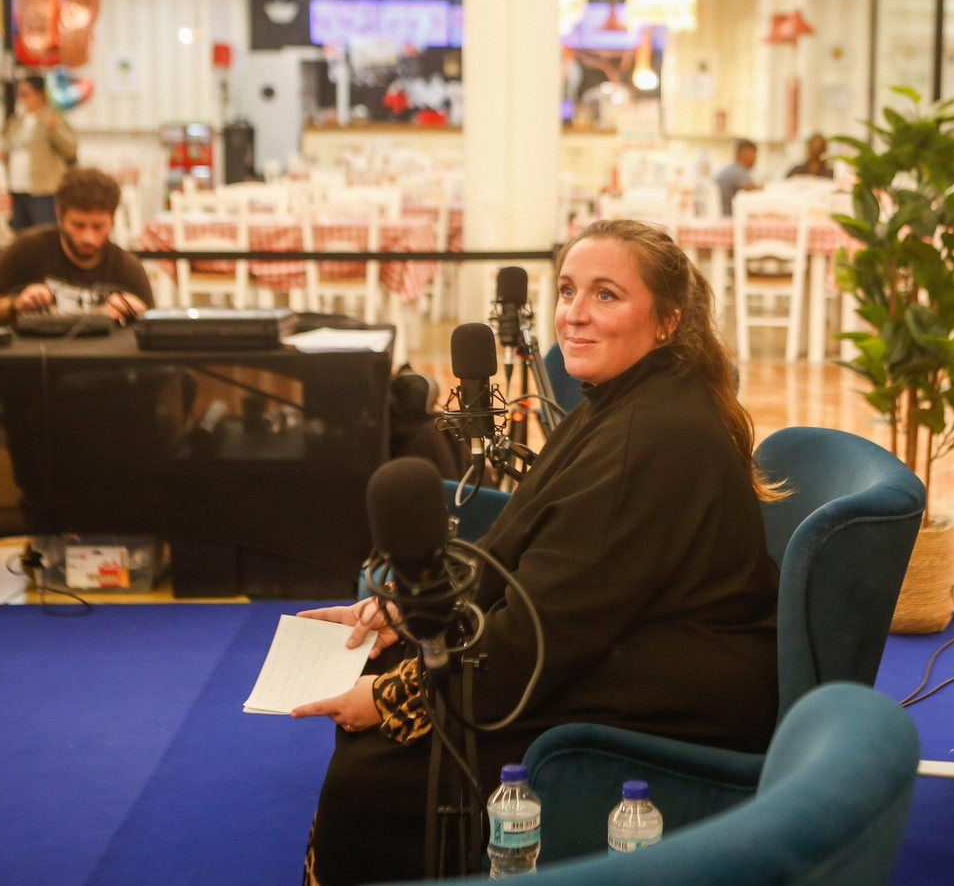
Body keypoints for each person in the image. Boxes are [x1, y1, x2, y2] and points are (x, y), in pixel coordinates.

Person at [292, 218, 783, 884]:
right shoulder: (628, 399)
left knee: (376, 767)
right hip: (625, 650)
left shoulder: (649, 439)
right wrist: (409, 611)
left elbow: (543, 633)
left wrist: (393, 699)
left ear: (668, 320)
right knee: (404, 665)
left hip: (672, 698)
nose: (575, 316)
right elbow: (516, 554)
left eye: (606, 295)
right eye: (568, 291)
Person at [0, 167, 152, 323]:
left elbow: (156, 327)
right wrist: (15, 304)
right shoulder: (27, 249)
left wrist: (139, 313)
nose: (88, 237)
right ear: (59, 215)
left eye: (99, 226)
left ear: (112, 220)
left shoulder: (127, 266)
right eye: (78, 225)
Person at [5, 75, 77, 231]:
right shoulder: (16, 120)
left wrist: (54, 130)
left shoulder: (53, 117)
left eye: (26, 94)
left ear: (40, 94)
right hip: (17, 187)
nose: (21, 98)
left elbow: (71, 149)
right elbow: (9, 145)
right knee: (21, 236)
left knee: (44, 234)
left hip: (43, 189)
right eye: (19, 94)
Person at [713, 138, 760, 216]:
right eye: (754, 155)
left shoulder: (733, 168)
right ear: (746, 154)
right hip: (728, 216)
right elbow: (756, 192)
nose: (755, 160)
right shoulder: (737, 172)